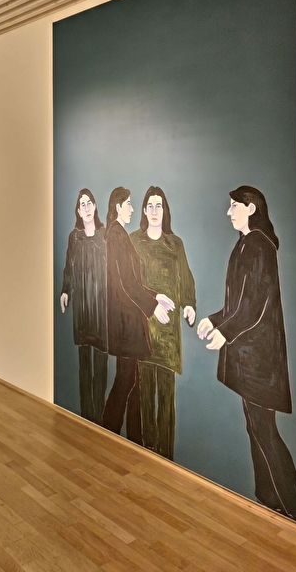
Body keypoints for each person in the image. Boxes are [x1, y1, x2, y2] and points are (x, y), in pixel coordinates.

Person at [197, 185, 296, 526]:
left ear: (251, 208)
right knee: (256, 426)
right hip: (250, 358)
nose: (229, 212)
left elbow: (255, 305)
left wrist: (224, 332)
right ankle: (268, 498)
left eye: (234, 206)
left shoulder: (259, 245)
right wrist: (214, 320)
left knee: (264, 430)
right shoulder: (246, 244)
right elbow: (238, 304)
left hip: (261, 361)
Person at [102, 187, 174, 445]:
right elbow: (127, 283)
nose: (133, 209)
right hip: (125, 324)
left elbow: (133, 282)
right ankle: (107, 432)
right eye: (129, 204)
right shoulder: (116, 235)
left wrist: (157, 296)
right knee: (125, 381)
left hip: (128, 322)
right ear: (118, 207)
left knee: (130, 380)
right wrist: (153, 307)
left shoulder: (119, 234)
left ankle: (131, 439)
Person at [130, 186, 196, 459]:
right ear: (144, 211)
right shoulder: (134, 242)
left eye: (159, 205)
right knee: (145, 392)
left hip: (168, 332)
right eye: (151, 206)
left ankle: (166, 455)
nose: (155, 211)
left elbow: (186, 278)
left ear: (164, 211)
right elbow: (130, 284)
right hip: (143, 328)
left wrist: (189, 304)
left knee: (167, 395)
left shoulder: (174, 244)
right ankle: (148, 451)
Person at [60, 189, 108, 424]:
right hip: (82, 310)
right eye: (83, 205)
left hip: (102, 310)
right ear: (78, 211)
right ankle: (87, 417)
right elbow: (68, 268)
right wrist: (65, 290)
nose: (87, 208)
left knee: (101, 366)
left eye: (90, 203)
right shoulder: (74, 237)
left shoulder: (105, 236)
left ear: (95, 207)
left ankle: (99, 418)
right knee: (84, 365)